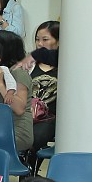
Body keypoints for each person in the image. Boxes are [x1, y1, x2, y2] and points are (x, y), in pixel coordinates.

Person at [0, 31, 34, 154]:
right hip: (2, 128)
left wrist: (0, 84)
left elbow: (19, 108)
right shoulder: (0, 71)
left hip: (17, 132)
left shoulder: (18, 72)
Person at [27, 21, 59, 159]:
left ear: (58, 41)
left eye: (45, 39)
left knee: (35, 137)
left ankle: (28, 174)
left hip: (50, 118)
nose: (39, 44)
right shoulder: (29, 65)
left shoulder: (67, 66)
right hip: (27, 115)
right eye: (37, 40)